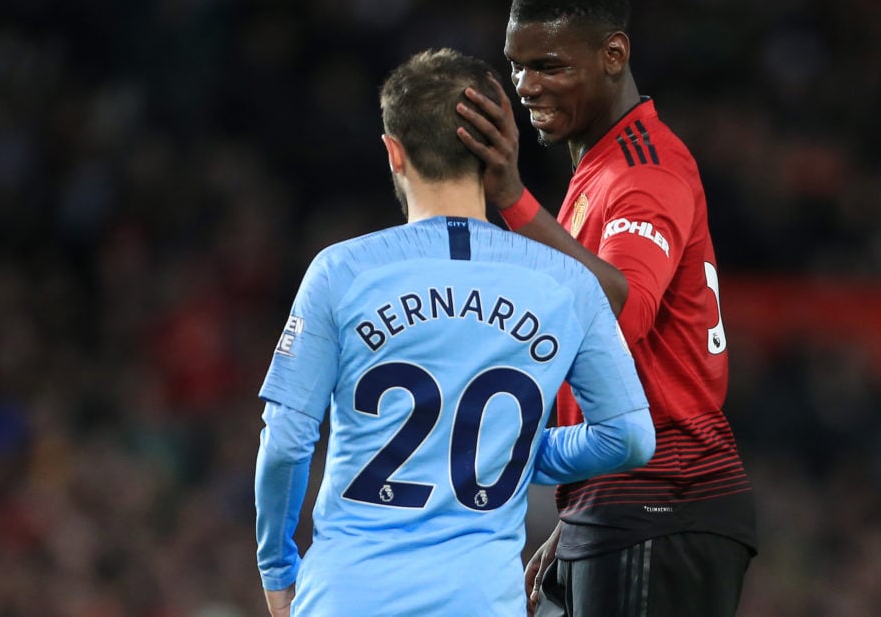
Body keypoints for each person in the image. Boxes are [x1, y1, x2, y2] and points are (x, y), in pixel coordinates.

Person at [254, 47, 656, 616]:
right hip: (480, 600)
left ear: (394, 152)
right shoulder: (567, 284)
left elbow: (287, 442)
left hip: (348, 595)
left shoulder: (342, 272)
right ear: (495, 151)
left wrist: (276, 568)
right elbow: (630, 437)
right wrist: (511, 448)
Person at [456, 0, 757, 617]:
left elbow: (622, 310)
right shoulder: (601, 172)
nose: (525, 86)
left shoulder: (643, 172)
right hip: (622, 503)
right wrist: (580, 510)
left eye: (549, 66)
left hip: (663, 500)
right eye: (516, 65)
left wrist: (509, 196)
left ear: (613, 54)